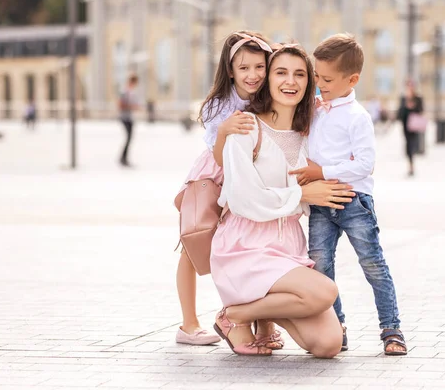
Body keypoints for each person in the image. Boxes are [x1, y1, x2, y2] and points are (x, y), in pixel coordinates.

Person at [210, 44, 355, 357]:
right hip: (246, 246)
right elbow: (242, 198)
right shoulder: (246, 127)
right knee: (325, 291)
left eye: (300, 74)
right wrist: (302, 194)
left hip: (287, 247)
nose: (291, 81)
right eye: (281, 73)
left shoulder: (310, 134)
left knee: (328, 343)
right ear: (268, 80)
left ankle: (246, 312)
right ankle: (236, 315)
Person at [289, 33, 407, 356]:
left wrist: (321, 172)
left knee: (372, 263)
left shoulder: (358, 117)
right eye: (317, 75)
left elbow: (366, 164)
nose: (318, 82)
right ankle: (336, 327)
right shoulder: (313, 110)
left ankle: (391, 328)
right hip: (321, 203)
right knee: (321, 265)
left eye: (326, 79)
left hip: (354, 202)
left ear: (351, 80)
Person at [173, 31, 274, 346]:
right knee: (194, 244)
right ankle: (188, 325)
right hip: (214, 178)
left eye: (259, 67)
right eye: (244, 68)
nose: (253, 75)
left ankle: (260, 324)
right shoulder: (221, 103)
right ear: (231, 71)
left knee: (253, 245)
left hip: (251, 178)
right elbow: (218, 156)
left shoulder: (270, 96)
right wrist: (225, 132)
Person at [397, 79, 424, 176]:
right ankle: (410, 164)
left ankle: (412, 165)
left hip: (414, 125)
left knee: (412, 144)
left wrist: (413, 107)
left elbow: (421, 110)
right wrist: (406, 107)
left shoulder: (418, 98)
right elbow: (400, 113)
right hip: (406, 125)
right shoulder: (403, 98)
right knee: (408, 144)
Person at [119, 74, 141, 168]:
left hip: (130, 117)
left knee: (129, 138)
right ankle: (123, 158)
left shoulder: (132, 92)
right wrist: (132, 107)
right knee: (128, 138)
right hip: (125, 117)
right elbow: (121, 105)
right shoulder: (125, 92)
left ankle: (124, 158)